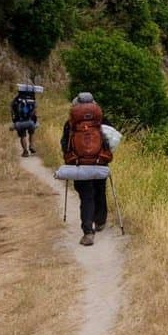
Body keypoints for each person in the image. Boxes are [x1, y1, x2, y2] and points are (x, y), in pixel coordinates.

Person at [61, 92, 112, 246]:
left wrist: (70, 159)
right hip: (99, 162)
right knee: (100, 190)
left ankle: (88, 232)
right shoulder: (101, 119)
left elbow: (65, 144)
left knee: (86, 196)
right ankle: (100, 221)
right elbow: (110, 140)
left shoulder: (71, 122)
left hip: (79, 164)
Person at [10, 89, 38, 157]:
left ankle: (25, 151)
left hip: (19, 122)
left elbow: (12, 111)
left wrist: (14, 122)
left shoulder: (16, 100)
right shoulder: (32, 100)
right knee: (31, 133)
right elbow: (35, 111)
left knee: (23, 136)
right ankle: (31, 145)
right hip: (30, 122)